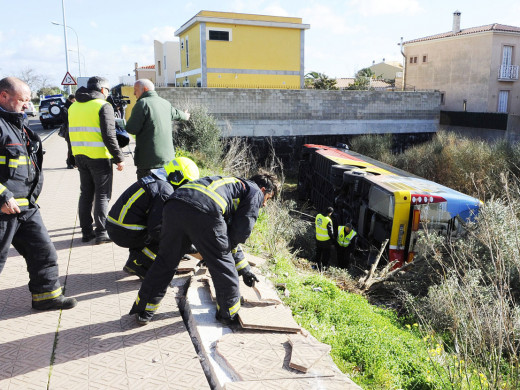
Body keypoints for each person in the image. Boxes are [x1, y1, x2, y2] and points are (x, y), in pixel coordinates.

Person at [129, 171, 279, 326]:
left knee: (166, 261)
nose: (265, 204)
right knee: (223, 266)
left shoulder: (230, 186)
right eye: (268, 198)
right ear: (263, 190)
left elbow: (228, 237)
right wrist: (228, 257)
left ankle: (144, 310)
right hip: (204, 208)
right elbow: (238, 235)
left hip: (175, 203)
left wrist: (245, 269)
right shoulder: (254, 192)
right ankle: (228, 313)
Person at [0, 77, 77, 310]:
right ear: (3, 96)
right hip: (4, 207)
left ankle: (47, 297)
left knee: (44, 253)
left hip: (26, 206)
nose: (27, 105)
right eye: (22, 100)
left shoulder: (18, 123)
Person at [106, 156, 199, 279]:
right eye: (185, 183)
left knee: (168, 230)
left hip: (118, 226)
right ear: (177, 177)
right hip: (124, 232)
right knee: (168, 234)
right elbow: (157, 229)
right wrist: (184, 246)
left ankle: (135, 260)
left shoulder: (156, 180)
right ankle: (140, 265)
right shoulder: (164, 190)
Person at [68, 76, 125, 245]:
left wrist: (72, 157)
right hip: (99, 157)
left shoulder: (74, 106)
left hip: (80, 156)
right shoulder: (103, 105)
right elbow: (109, 135)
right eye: (107, 90)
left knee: (85, 194)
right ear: (102, 90)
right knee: (102, 195)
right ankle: (102, 232)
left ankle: (86, 232)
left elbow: (69, 133)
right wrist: (119, 157)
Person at [125, 79, 190, 179]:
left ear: (145, 89)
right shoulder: (165, 103)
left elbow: (131, 129)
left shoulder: (142, 104)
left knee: (147, 192)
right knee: (164, 191)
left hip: (148, 162)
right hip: (167, 161)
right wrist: (185, 115)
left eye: (135, 90)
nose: (134, 93)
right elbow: (178, 114)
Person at [59, 94, 76, 169]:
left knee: (75, 148)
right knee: (70, 148)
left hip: (75, 130)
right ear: (69, 99)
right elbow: (66, 119)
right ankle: (69, 163)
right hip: (68, 131)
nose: (74, 102)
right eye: (73, 100)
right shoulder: (65, 108)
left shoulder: (75, 107)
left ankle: (75, 163)